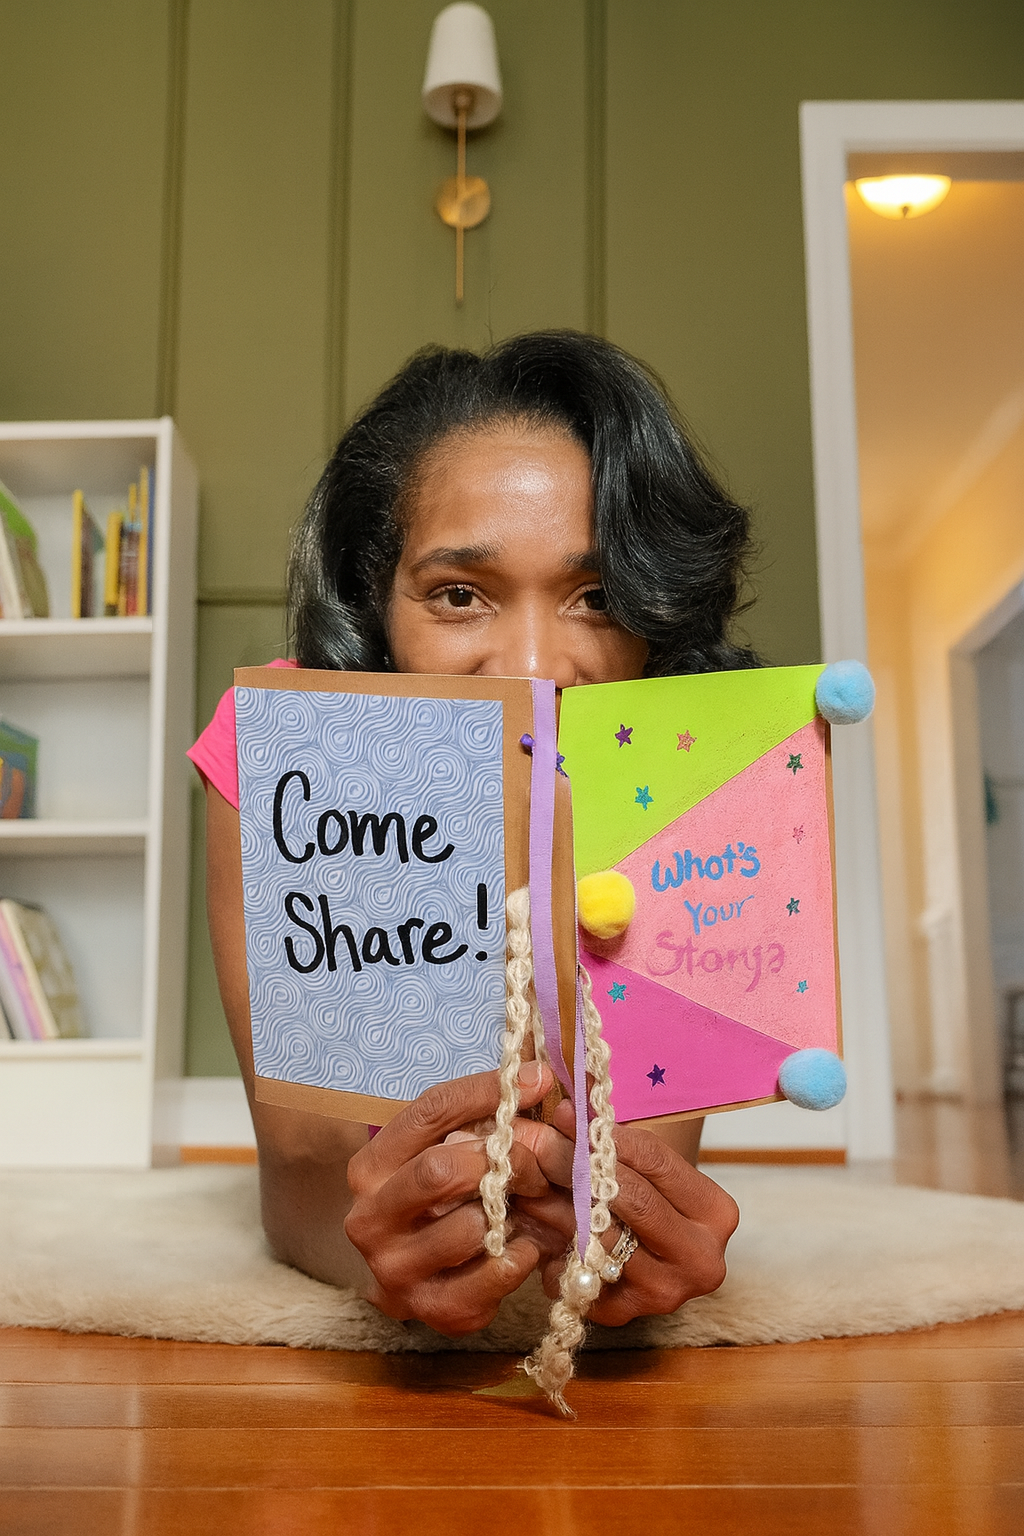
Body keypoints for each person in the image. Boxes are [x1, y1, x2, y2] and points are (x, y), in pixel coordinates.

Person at [192, 330, 747, 1342]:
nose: (533, 665)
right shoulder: (279, 760)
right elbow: (302, 1174)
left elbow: (653, 1157)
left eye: (597, 597)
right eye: (459, 594)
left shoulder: (691, 785)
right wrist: (369, 1258)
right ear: (375, 600)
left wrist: (635, 1234)